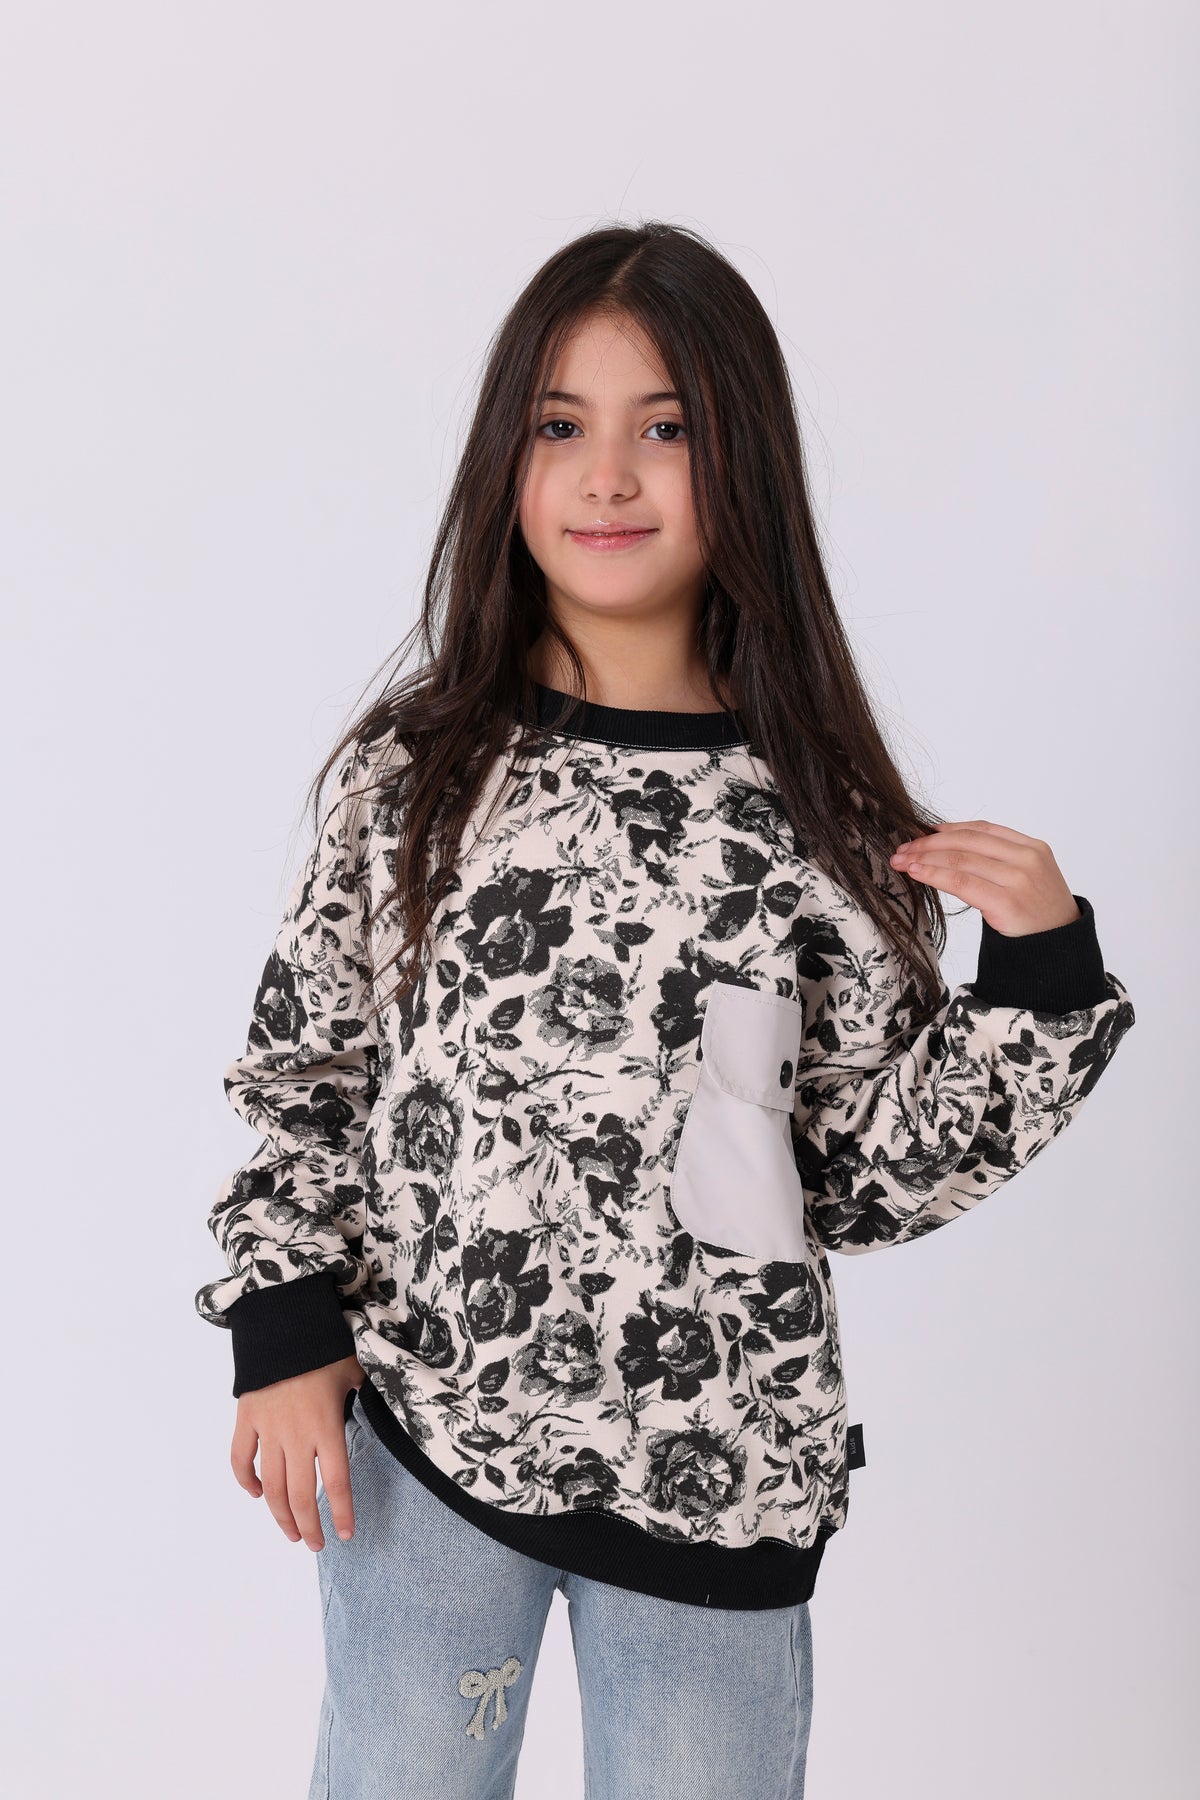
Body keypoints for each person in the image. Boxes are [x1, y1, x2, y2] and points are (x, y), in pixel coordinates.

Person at [194, 220, 1136, 1800]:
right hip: (427, 1434)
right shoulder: (415, 776)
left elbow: (854, 1178)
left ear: (742, 459)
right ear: (507, 460)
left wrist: (1035, 982)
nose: (609, 476)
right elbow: (307, 1069)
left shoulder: (822, 822)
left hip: (721, 1475)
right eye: (561, 425)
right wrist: (281, 1327)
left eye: (668, 428)